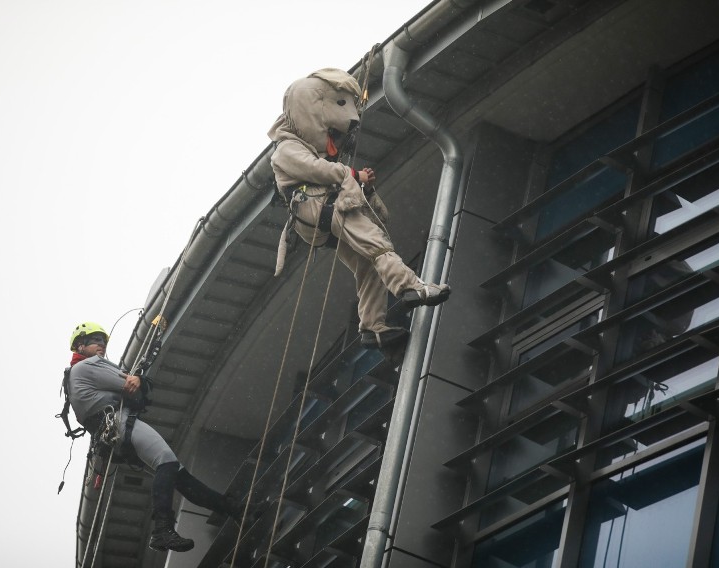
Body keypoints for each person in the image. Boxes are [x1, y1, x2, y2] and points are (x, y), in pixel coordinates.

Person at [268, 68, 451, 350]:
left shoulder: (308, 149)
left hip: (322, 211)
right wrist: (351, 175)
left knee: (366, 261)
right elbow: (317, 170)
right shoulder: (286, 150)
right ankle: (410, 287)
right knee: (376, 242)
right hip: (320, 209)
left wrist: (362, 186)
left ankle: (373, 328)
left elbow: (327, 170)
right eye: (341, 104)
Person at [67, 322, 247, 552]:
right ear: (80, 346)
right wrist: (138, 381)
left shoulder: (76, 374)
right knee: (167, 461)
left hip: (113, 434)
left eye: (103, 340)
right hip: (120, 424)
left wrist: (136, 384)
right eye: (95, 340)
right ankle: (162, 530)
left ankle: (233, 509)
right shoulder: (89, 365)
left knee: (177, 474)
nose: (102, 344)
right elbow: (131, 383)